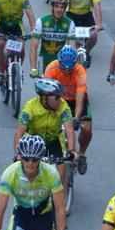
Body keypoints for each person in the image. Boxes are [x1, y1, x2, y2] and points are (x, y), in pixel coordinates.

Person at [15, 79, 79, 189]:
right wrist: (18, 154)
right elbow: (19, 132)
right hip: (34, 141)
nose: (60, 100)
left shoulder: (63, 106)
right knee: (30, 172)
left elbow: (69, 130)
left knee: (61, 172)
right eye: (57, 97)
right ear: (45, 98)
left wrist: (72, 150)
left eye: (61, 96)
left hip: (54, 140)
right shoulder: (30, 107)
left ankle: (61, 199)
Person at [43, 46, 91, 174]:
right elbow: (45, 94)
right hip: (57, 100)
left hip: (75, 100)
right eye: (63, 68)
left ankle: (82, 154)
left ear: (75, 64)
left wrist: (76, 119)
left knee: (87, 128)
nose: (66, 71)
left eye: (69, 69)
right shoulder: (51, 68)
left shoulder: (80, 71)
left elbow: (80, 99)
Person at [61, 0, 102, 66]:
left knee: (94, 35)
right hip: (72, 15)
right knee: (72, 37)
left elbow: (97, 7)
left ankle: (86, 51)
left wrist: (98, 24)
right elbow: (62, 5)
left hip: (86, 15)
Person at [29, 0, 76, 76]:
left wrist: (73, 66)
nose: (59, 10)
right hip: (44, 59)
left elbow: (73, 47)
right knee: (44, 83)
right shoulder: (41, 21)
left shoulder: (70, 23)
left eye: (62, 7)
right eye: (57, 6)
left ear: (65, 8)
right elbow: (33, 47)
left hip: (61, 62)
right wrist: (33, 68)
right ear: (52, 7)